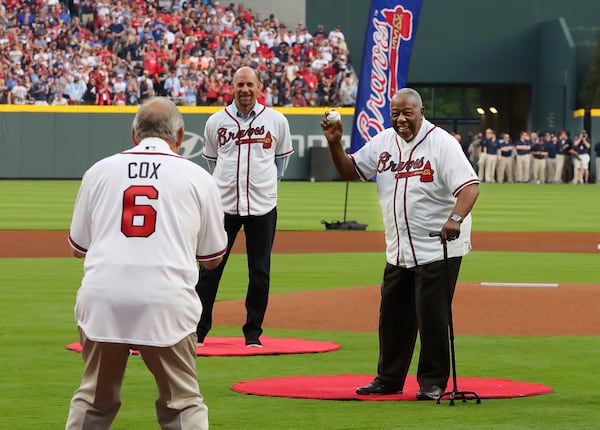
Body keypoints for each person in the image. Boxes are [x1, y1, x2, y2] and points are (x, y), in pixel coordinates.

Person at [65, 97, 228, 430]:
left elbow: (78, 247)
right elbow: (212, 259)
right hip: (166, 300)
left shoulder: (99, 171)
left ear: (133, 133)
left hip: (103, 297)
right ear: (180, 136)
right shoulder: (199, 178)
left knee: (95, 400)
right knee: (182, 403)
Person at [321, 88, 479, 400]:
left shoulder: (441, 143)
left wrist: (456, 220)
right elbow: (351, 170)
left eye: (408, 112)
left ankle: (432, 382)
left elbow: (470, 187)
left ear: (421, 112)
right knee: (392, 315)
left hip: (438, 246)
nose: (401, 119)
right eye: (396, 113)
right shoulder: (384, 142)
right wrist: (335, 144)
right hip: (399, 248)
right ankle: (388, 379)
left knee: (432, 315)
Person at [195, 66, 294, 347]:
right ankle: (199, 330)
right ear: (233, 87)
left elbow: (281, 164)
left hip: (262, 206)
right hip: (223, 206)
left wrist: (264, 187)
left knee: (259, 271)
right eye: (240, 84)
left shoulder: (276, 121)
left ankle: (253, 333)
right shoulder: (216, 122)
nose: (245, 89)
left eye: (250, 84)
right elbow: (212, 162)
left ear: (260, 87)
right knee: (210, 268)